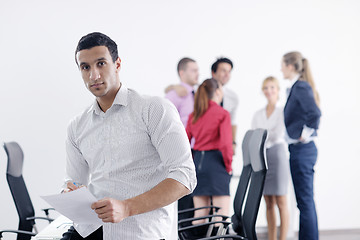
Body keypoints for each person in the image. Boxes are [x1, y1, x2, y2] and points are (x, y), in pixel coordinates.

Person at [61, 32, 197, 240]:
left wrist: (127, 207)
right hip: (91, 230)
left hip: (140, 231)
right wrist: (69, 193)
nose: (94, 75)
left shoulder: (153, 109)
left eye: (101, 64)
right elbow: (76, 182)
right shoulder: (76, 126)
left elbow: (185, 176)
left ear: (117, 64)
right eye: (85, 67)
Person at [281, 51, 321, 240]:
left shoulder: (301, 86)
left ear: (290, 66)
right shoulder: (296, 87)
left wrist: (304, 135)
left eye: (282, 65)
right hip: (299, 151)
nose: (280, 69)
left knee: (305, 201)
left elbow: (314, 114)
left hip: (302, 151)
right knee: (304, 202)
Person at [165, 57, 239, 154]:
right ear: (213, 72)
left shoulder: (231, 97)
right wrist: (173, 87)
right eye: (223, 71)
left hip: (218, 147)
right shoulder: (198, 91)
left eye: (229, 71)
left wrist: (232, 143)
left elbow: (232, 122)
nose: (226, 75)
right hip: (194, 147)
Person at [186, 78, 233, 225]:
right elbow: (226, 145)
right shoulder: (222, 114)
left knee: (200, 216)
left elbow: (185, 144)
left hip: (198, 163)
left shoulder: (194, 115)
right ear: (218, 92)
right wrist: (229, 166)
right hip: (216, 164)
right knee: (221, 217)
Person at [251, 76, 289, 240]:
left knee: (281, 200)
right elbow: (254, 135)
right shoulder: (258, 114)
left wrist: (263, 134)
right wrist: (265, 134)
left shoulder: (282, 111)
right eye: (266, 87)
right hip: (262, 156)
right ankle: (272, 238)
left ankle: (283, 238)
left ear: (278, 90)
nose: (269, 91)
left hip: (277, 155)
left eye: (272, 87)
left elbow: (277, 134)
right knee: (268, 202)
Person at [165, 57, 199, 126]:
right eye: (194, 71)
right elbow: (166, 122)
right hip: (182, 136)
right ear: (182, 73)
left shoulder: (199, 94)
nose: (198, 74)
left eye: (197, 70)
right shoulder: (173, 95)